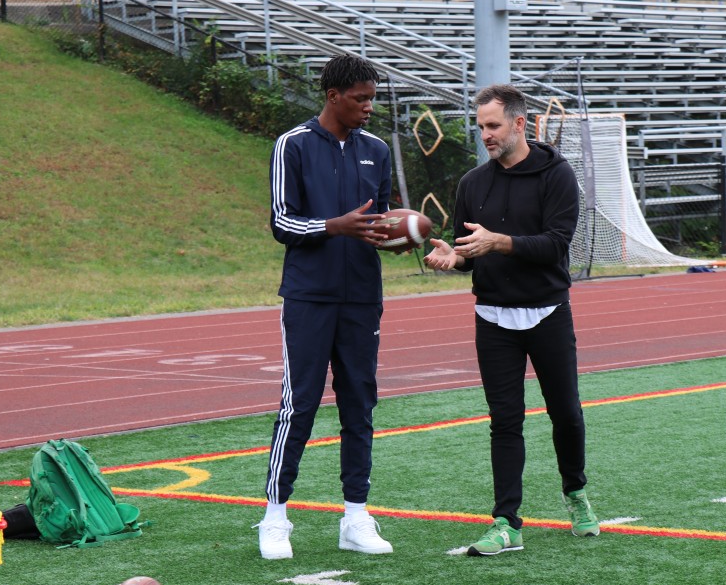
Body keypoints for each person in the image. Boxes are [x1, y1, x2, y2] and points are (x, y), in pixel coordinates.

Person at [423, 83, 599, 556]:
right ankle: (507, 523)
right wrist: (450, 258)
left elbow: (555, 244)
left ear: (520, 124)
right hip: (492, 317)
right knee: (505, 421)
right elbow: (469, 254)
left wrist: (498, 242)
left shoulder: (556, 175)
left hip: (547, 313)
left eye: (493, 125)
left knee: (566, 413)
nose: (486, 134)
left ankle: (575, 492)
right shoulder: (472, 184)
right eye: (481, 126)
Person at [256, 53, 398, 559]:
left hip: (362, 297)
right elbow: (281, 222)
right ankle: (275, 517)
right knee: (300, 403)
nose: (368, 107)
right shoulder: (291, 146)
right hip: (309, 297)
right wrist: (331, 226)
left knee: (360, 403)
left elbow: (378, 221)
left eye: (372, 98)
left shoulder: (377, 150)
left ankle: (356, 517)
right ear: (333, 95)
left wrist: (395, 235)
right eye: (360, 98)